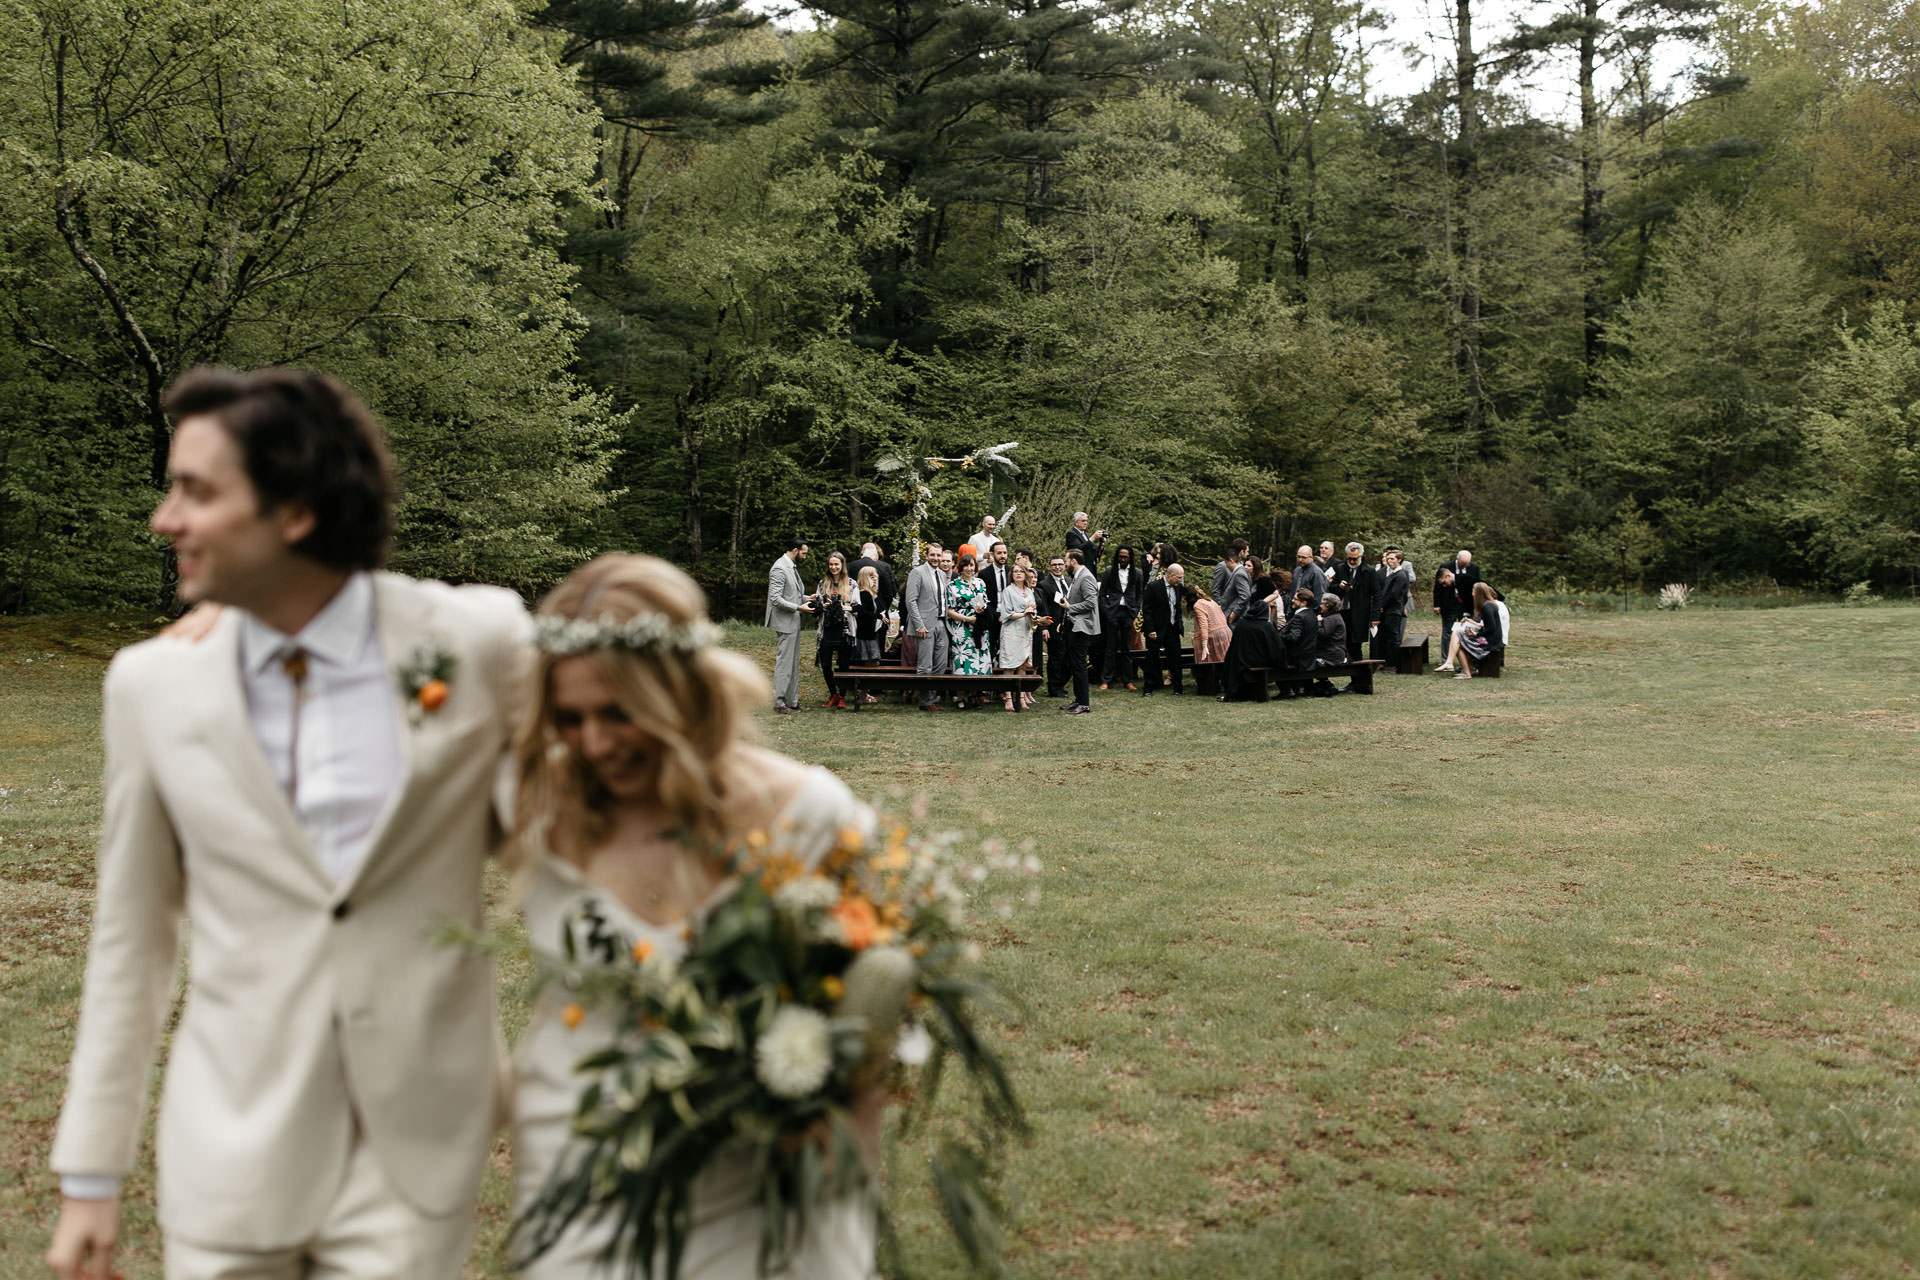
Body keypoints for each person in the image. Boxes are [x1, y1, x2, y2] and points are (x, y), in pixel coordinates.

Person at [46, 367, 531, 1280]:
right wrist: (91, 1175)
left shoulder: (476, 643)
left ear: (297, 511)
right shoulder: (152, 685)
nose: (165, 517)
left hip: (417, 1152)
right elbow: (130, 942)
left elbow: (572, 826)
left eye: (195, 489)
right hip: (231, 1146)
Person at [510, 553, 881, 1280]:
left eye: (619, 713)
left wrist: (840, 1217)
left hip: (758, 1191)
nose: (593, 743)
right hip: (582, 1177)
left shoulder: (807, 816)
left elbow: (869, 1047)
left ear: (681, 693)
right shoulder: (544, 806)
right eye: (570, 717)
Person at [766, 537, 814, 714]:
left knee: (793, 663)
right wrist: (798, 607)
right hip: (785, 623)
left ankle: (792, 702)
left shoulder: (791, 567)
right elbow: (776, 599)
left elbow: (792, 594)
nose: (805, 556)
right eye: (804, 552)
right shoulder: (779, 568)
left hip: (794, 621)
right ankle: (779, 703)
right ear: (795, 550)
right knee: (784, 663)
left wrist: (807, 598)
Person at [1222, 574, 1286, 701]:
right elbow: (1276, 650)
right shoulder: (1265, 627)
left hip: (1240, 663)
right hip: (1257, 662)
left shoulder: (1242, 624)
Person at [902, 544, 950, 710]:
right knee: (925, 665)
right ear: (926, 555)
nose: (936, 558)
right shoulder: (917, 572)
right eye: (933, 555)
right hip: (924, 625)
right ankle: (925, 702)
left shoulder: (943, 575)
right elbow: (911, 600)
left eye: (939, 555)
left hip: (942, 623)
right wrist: (919, 625)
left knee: (941, 664)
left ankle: (931, 698)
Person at [944, 552, 993, 700]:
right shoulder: (952, 586)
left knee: (978, 659)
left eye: (972, 565)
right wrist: (967, 618)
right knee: (963, 660)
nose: (969, 569)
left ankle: (974, 694)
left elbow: (985, 602)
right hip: (962, 628)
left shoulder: (980, 583)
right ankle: (959, 696)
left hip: (980, 627)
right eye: (966, 565)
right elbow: (949, 611)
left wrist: (982, 610)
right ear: (960, 567)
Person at [814, 551, 856, 709]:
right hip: (827, 630)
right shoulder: (822, 583)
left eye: (836, 564)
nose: (833, 567)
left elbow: (857, 606)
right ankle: (833, 694)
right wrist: (821, 606)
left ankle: (843, 696)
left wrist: (846, 607)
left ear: (842, 565)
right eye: (831, 564)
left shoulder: (851, 584)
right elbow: (815, 606)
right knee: (825, 665)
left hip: (844, 631)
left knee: (843, 664)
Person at [1062, 548, 1101, 714]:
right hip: (1073, 625)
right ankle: (1078, 700)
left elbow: (1091, 603)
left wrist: (1070, 607)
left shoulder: (1086, 577)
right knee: (1075, 665)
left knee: (1079, 666)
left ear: (1073, 561)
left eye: (1066, 561)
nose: (1064, 564)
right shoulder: (1076, 577)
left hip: (1082, 628)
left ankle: (1084, 703)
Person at [1098, 544, 1143, 690]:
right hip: (1113, 612)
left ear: (1130, 558)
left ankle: (1128, 680)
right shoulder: (1110, 571)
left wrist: (1135, 610)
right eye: (1121, 556)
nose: (1123, 559)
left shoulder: (1137, 573)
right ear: (1117, 557)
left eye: (1125, 557)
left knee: (1126, 648)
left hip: (1128, 612)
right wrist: (1106, 609)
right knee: (1110, 647)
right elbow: (1102, 593)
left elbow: (1140, 594)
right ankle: (1106, 680)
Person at [997, 563, 1040, 709]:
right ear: (1012, 575)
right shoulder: (1008, 591)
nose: (1018, 574)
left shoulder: (1029, 591)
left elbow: (1033, 611)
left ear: (1026, 574)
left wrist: (1038, 619)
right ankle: (1008, 698)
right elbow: (1006, 614)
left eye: (1021, 571)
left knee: (1023, 664)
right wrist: (1024, 613)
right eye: (1015, 571)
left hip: (1026, 630)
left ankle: (1021, 697)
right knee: (1009, 665)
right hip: (1011, 631)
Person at [1140, 562, 1186, 695]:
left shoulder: (1178, 587)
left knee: (1176, 659)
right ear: (1171, 575)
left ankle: (1178, 689)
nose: (1181, 580)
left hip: (1172, 629)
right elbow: (1146, 610)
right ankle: (1148, 689)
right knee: (1152, 659)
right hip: (1157, 629)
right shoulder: (1153, 586)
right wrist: (1150, 630)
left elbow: (1177, 608)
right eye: (1179, 577)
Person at [1333, 542, 1379, 663]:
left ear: (1361, 556)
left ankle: (1358, 673)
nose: (1352, 562)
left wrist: (1375, 616)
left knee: (1356, 644)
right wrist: (1340, 587)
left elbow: (1377, 595)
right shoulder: (1340, 568)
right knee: (1342, 641)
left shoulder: (1369, 571)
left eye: (1355, 559)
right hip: (1342, 612)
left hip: (1360, 613)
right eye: (1349, 559)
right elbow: (1330, 588)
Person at [1035, 555, 1074, 698]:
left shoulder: (1070, 581)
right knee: (1056, 658)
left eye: (1060, 564)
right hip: (1053, 626)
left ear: (1064, 565)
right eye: (1054, 565)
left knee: (1069, 658)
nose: (1057, 567)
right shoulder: (1044, 584)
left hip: (1070, 625)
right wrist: (1045, 628)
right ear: (1049, 567)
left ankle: (1061, 683)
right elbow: (1044, 607)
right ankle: (1054, 688)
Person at [1454, 580, 1506, 678]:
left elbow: (1491, 627)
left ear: (1478, 592)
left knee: (1458, 640)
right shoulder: (1488, 605)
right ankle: (1469, 670)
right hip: (1492, 640)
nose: (1472, 592)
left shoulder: (1487, 607)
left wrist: (1476, 634)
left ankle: (1466, 671)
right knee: (1458, 640)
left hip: (1490, 644)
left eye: (1473, 590)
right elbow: (1487, 626)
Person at [1372, 547, 1413, 664]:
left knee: (1393, 638)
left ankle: (1395, 664)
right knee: (1386, 636)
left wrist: (1381, 606)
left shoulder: (1401, 575)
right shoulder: (1391, 573)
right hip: (1388, 610)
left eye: (1392, 559)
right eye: (1388, 559)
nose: (1389, 561)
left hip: (1393, 610)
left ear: (1399, 560)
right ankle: (1385, 661)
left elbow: (1394, 594)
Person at [1312, 591, 1348, 696]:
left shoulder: (1332, 618)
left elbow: (1323, 634)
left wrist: (1318, 621)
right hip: (1333, 651)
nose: (1320, 605)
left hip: (1332, 654)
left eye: (1322, 604)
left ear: (1328, 606)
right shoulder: (1333, 617)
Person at [847, 542, 896, 620]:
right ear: (876, 555)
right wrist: (884, 608)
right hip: (878, 613)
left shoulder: (848, 566)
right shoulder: (884, 567)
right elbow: (890, 593)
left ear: (862, 553)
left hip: (854, 614)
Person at [981, 541, 1011, 660]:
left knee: (1008, 651)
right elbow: (984, 599)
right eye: (999, 553)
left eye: (1005, 553)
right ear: (992, 554)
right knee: (991, 649)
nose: (1003, 556)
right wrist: (996, 615)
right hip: (991, 616)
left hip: (1009, 616)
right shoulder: (984, 574)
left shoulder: (1011, 572)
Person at [1213, 540, 1251, 626]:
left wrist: (1234, 613)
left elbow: (1245, 595)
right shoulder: (1222, 566)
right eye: (1247, 551)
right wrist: (1220, 609)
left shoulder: (1241, 571)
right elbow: (1216, 590)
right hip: (1225, 612)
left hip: (1234, 615)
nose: (1248, 554)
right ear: (1241, 552)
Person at [1191, 587, 1231, 665]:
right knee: (1226, 661)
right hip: (1226, 632)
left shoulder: (1198, 605)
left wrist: (1204, 645)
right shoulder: (1210, 601)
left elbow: (1204, 625)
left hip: (1215, 635)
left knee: (1214, 663)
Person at [1065, 511, 1106, 576]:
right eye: (1083, 521)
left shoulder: (1088, 535)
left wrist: (1102, 543)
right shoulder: (1071, 534)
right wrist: (1093, 538)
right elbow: (1077, 551)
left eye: (1086, 521)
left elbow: (1096, 554)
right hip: (1080, 571)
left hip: (1092, 570)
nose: (1086, 523)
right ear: (1076, 522)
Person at [1432, 565, 1458, 659]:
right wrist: (1437, 604)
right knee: (1447, 633)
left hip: (1461, 608)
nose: (1444, 585)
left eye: (1444, 583)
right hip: (1447, 606)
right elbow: (1437, 589)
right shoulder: (1444, 569)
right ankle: (1445, 659)